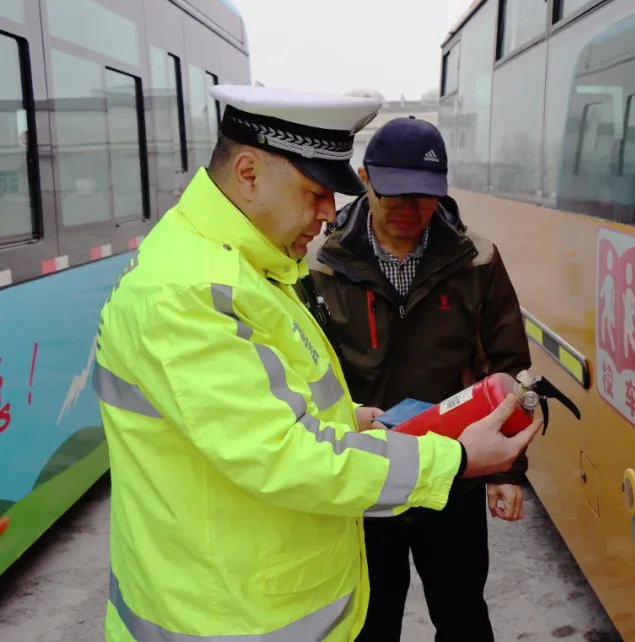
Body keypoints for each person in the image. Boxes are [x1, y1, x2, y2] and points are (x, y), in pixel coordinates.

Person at [93, 86, 541, 642]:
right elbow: (279, 454)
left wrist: (349, 418)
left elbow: (259, 405)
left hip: (297, 547)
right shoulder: (193, 292)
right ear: (249, 174)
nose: (330, 211)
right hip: (227, 613)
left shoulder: (253, 268)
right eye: (315, 191)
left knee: (460, 610)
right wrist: (454, 458)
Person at [306, 116, 531, 642]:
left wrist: (506, 470)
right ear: (365, 179)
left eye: (425, 197)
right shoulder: (319, 263)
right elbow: (304, 372)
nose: (411, 209)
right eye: (396, 195)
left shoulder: (477, 259)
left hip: (455, 468)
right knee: (370, 622)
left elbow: (508, 366)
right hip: (366, 472)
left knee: (463, 615)